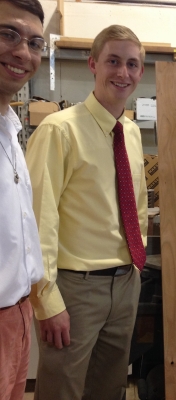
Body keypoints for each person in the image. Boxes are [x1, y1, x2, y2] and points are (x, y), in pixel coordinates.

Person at [26, 25, 148, 400]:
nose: (123, 73)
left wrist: (136, 269)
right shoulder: (59, 131)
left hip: (125, 283)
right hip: (76, 290)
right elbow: (38, 220)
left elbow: (136, 207)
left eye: (132, 64)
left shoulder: (130, 131)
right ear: (93, 64)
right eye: (113, 61)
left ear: (140, 72)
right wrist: (47, 300)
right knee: (62, 390)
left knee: (109, 389)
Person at [0, 0, 45, 399]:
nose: (23, 52)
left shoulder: (11, 129)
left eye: (34, 42)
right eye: (7, 34)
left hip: (18, 311)